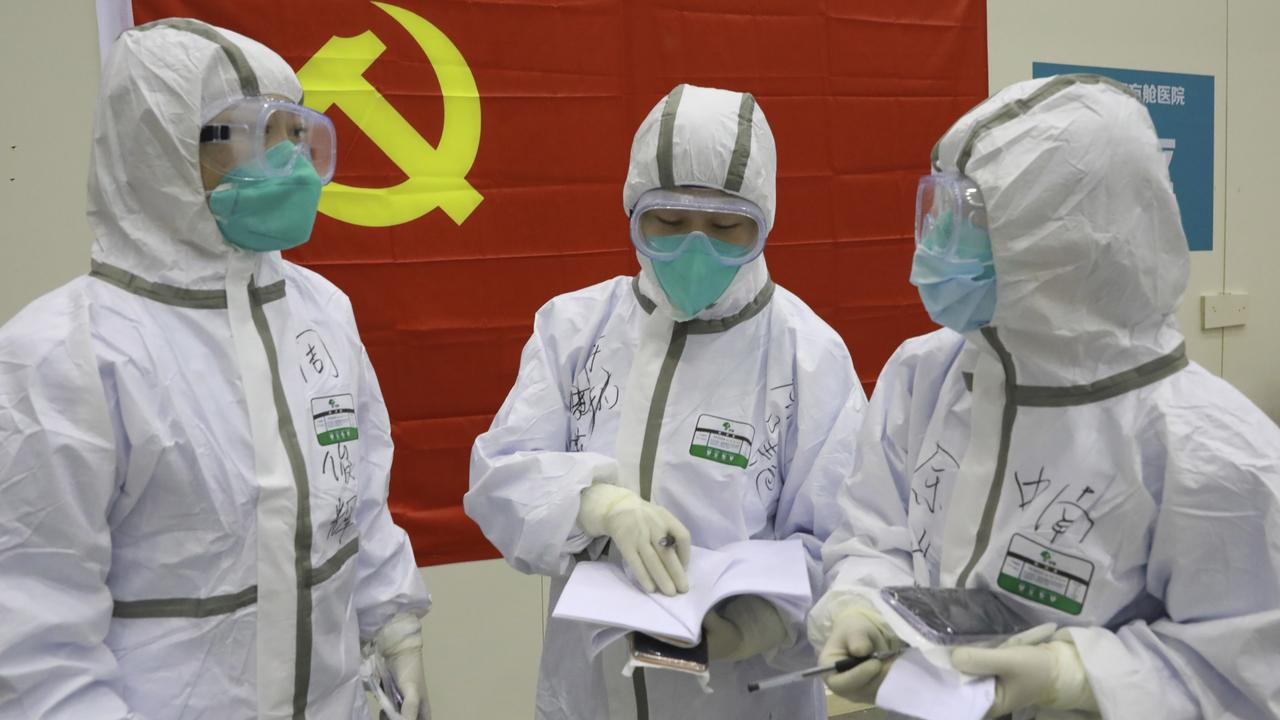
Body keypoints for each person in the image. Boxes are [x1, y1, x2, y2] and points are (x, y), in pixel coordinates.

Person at [808, 74, 1280, 719]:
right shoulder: (927, 376)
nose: (938, 244)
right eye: (941, 210)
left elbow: (1248, 671)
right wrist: (862, 604)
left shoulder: (1209, 447)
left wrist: (1075, 677)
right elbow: (874, 532)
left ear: (1066, 244)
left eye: (972, 220)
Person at [0, 19, 432, 719]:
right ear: (160, 149)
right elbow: (32, 630)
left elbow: (358, 500)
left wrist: (393, 621)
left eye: (294, 134)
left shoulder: (319, 310)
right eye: (251, 136)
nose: (288, 162)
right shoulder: (63, 353)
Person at [466, 84, 867, 719]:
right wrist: (599, 505)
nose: (695, 248)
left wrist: (756, 624)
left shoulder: (807, 355)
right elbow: (500, 478)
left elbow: (846, 541)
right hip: (593, 688)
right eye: (670, 224)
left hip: (742, 696)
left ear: (764, 220)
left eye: (727, 228)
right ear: (633, 211)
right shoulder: (576, 328)